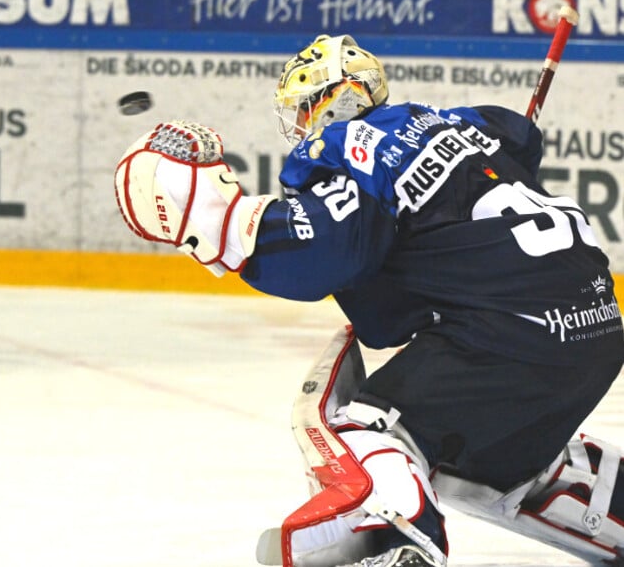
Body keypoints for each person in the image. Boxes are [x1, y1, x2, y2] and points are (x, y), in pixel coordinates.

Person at [114, 33, 624, 566]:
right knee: (488, 460)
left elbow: (333, 251)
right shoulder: (467, 124)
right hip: (596, 328)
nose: (301, 125)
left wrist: (220, 224)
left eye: (304, 108)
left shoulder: (350, 148)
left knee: (366, 426)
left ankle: (399, 539)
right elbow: (520, 139)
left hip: (509, 332)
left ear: (330, 101)